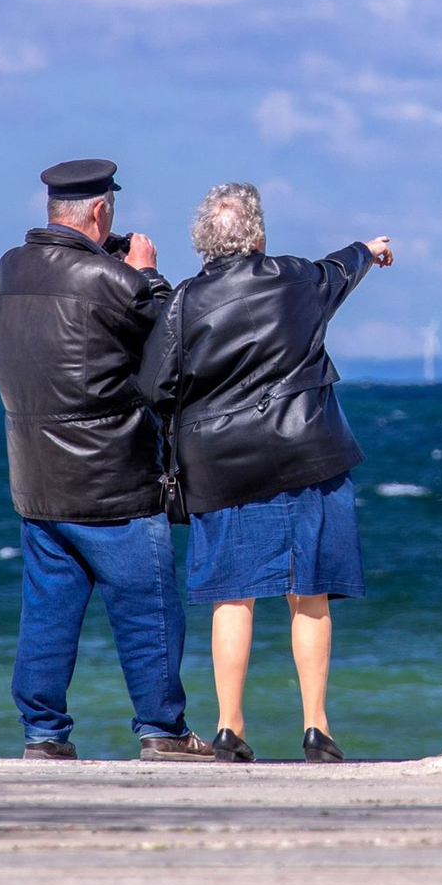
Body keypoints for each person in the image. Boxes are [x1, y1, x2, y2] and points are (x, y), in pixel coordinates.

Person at [139, 182, 393, 763]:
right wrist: (369, 249)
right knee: (310, 594)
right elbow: (340, 270)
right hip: (310, 454)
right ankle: (316, 727)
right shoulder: (296, 277)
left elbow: (155, 386)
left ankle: (229, 727)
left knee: (234, 597)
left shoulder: (184, 302)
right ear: (256, 235)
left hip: (222, 467)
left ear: (205, 240)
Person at [0, 158, 212, 762]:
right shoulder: (112, 281)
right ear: (100, 210)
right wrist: (147, 273)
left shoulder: (9, 269)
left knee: (47, 616)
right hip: (113, 479)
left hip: (37, 479)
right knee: (149, 613)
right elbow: (174, 337)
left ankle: (43, 735)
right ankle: (162, 731)